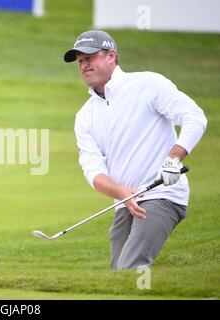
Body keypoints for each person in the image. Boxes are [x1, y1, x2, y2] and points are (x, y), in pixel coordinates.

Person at [64, 30, 207, 270]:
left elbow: (195, 117)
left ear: (111, 56)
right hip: (125, 203)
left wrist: (173, 159)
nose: (84, 65)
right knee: (118, 274)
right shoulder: (84, 116)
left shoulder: (148, 84)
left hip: (162, 194)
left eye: (90, 57)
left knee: (130, 267)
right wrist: (120, 192)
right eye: (80, 61)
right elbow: (93, 171)